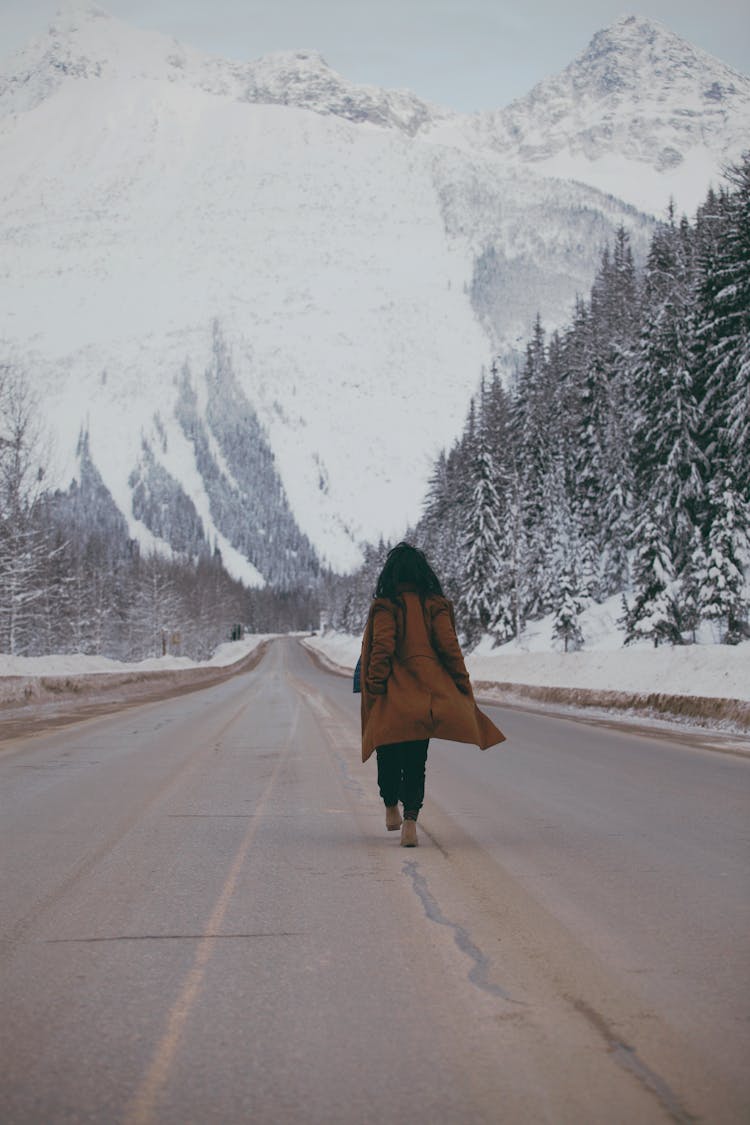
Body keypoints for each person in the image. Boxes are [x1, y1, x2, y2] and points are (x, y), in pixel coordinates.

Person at [360, 542, 506, 847]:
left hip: (391, 698)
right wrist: (462, 684)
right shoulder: (434, 605)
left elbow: (382, 650)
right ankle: (410, 820)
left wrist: (373, 686)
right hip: (425, 699)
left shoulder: (387, 606)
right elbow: (449, 648)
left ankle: (390, 807)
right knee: (416, 761)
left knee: (387, 752)